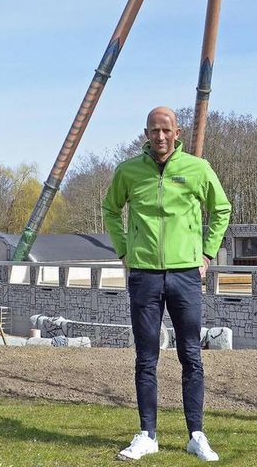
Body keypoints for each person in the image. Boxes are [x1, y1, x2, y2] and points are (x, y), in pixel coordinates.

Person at [102, 106, 231, 462]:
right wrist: (124, 251)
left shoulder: (197, 169)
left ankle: (196, 435)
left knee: (191, 356)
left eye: (166, 130)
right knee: (146, 358)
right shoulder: (128, 171)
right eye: (154, 130)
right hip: (143, 275)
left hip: (185, 275)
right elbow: (110, 209)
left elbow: (221, 209)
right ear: (146, 134)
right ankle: (148, 435)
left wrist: (207, 253)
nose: (160, 136)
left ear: (177, 133)